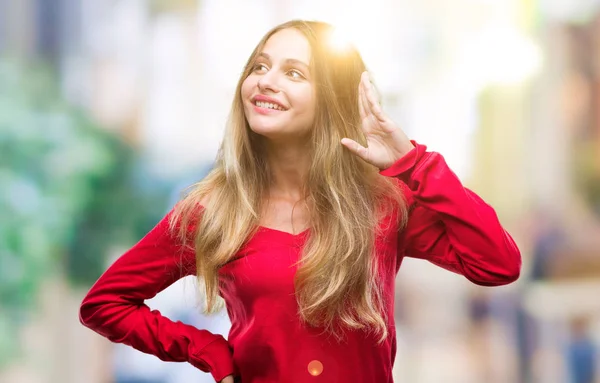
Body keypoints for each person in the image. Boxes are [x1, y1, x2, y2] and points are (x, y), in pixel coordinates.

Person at [79, 20, 522, 383]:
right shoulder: (212, 210)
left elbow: (498, 264)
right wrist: (207, 350)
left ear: (330, 100)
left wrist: (414, 162)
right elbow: (104, 304)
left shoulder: (382, 202)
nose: (265, 82)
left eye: (293, 73)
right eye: (259, 66)